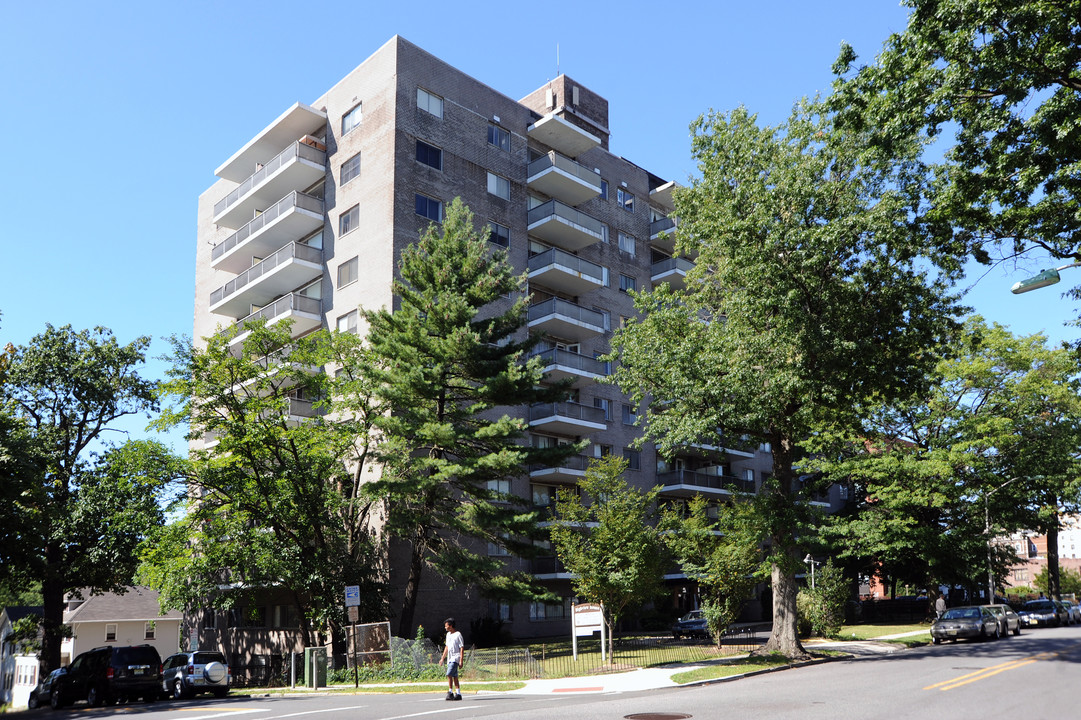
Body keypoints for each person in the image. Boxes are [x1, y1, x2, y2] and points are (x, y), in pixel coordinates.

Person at [439, 617, 463, 701]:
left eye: (446, 626)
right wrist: (442, 658)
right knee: (455, 676)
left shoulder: (458, 634)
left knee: (449, 674)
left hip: (455, 658)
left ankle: (450, 692)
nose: (445, 627)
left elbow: (461, 647)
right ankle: (458, 693)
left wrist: (461, 660)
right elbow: (447, 647)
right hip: (449, 658)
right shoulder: (448, 635)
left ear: (451, 626)